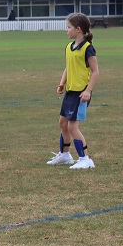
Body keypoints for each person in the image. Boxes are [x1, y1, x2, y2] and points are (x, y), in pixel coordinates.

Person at [47, 12, 100, 169]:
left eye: (68, 27)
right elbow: (68, 68)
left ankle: (85, 159)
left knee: (72, 127)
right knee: (63, 123)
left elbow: (95, 71)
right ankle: (65, 155)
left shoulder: (87, 48)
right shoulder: (69, 47)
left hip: (81, 93)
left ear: (78, 29)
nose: (66, 30)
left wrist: (88, 91)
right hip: (70, 92)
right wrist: (61, 83)